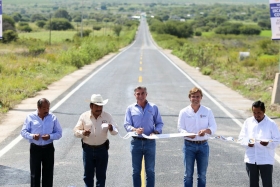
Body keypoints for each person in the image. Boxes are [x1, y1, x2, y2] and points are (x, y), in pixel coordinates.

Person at [73, 94, 118, 187]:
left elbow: (115, 132)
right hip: (87, 150)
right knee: (88, 176)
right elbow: (75, 132)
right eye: (96, 106)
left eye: (100, 106)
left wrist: (111, 128)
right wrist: (83, 133)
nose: (99, 108)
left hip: (102, 149)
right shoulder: (84, 116)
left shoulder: (107, 116)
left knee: (101, 176)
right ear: (91, 106)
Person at [124, 86, 164, 187]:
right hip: (136, 142)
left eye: (142, 93)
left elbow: (159, 123)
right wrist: (135, 130)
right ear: (135, 95)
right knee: (136, 171)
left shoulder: (153, 107)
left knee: (150, 171)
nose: (140, 96)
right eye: (138, 94)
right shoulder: (130, 108)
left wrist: (155, 132)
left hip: (150, 142)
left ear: (146, 94)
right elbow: (127, 125)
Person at [177, 87, 217, 187]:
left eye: (198, 96)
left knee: (202, 175)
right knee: (188, 175)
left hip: (203, 145)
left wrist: (206, 131)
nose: (195, 98)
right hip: (189, 146)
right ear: (189, 98)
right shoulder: (184, 112)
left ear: (201, 97)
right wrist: (187, 134)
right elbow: (180, 128)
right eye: (193, 96)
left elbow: (213, 126)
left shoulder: (207, 111)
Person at [21, 98, 62, 187]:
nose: (46, 110)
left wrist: (50, 136)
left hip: (48, 148)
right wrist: (32, 136)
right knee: (35, 174)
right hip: (35, 148)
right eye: (44, 108)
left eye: (48, 108)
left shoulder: (53, 118)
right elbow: (23, 132)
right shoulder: (30, 117)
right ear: (38, 108)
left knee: (48, 174)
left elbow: (59, 133)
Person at [239, 100, 280, 187]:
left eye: (259, 113)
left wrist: (268, 143)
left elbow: (277, 140)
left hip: (265, 159)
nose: (256, 115)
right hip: (251, 159)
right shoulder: (248, 122)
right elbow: (241, 138)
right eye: (254, 113)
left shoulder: (271, 124)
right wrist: (248, 143)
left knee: (267, 184)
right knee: (253, 184)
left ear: (264, 111)